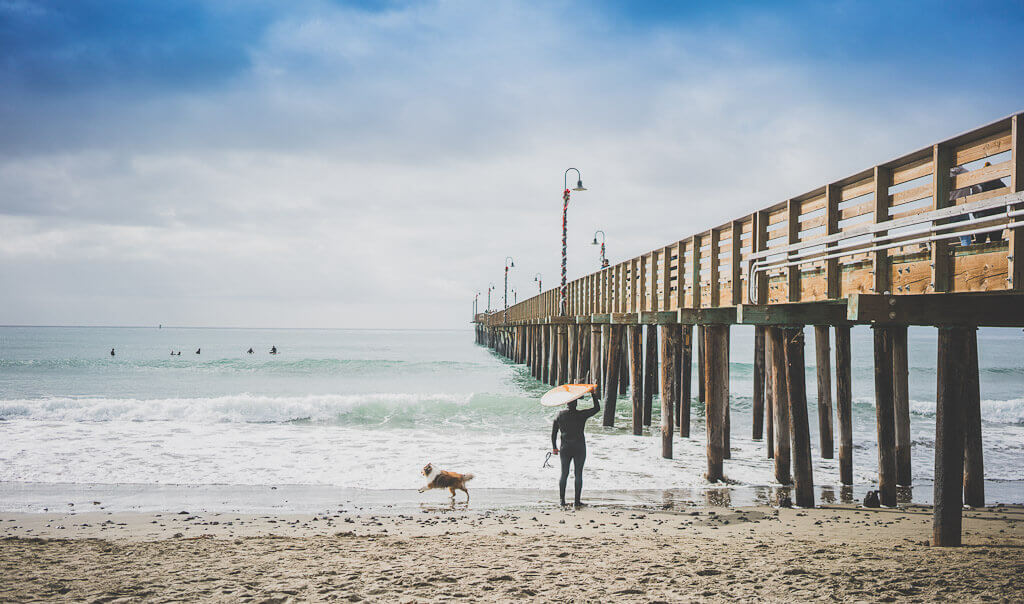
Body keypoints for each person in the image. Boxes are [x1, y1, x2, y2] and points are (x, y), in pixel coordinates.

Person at [551, 391, 600, 507]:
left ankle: (562, 501)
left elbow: (553, 434)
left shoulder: (559, 415)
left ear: (566, 403)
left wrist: (554, 447)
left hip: (565, 448)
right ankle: (577, 502)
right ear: (576, 404)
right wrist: (593, 394)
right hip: (579, 447)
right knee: (578, 474)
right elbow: (597, 408)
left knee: (564, 474)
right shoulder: (581, 415)